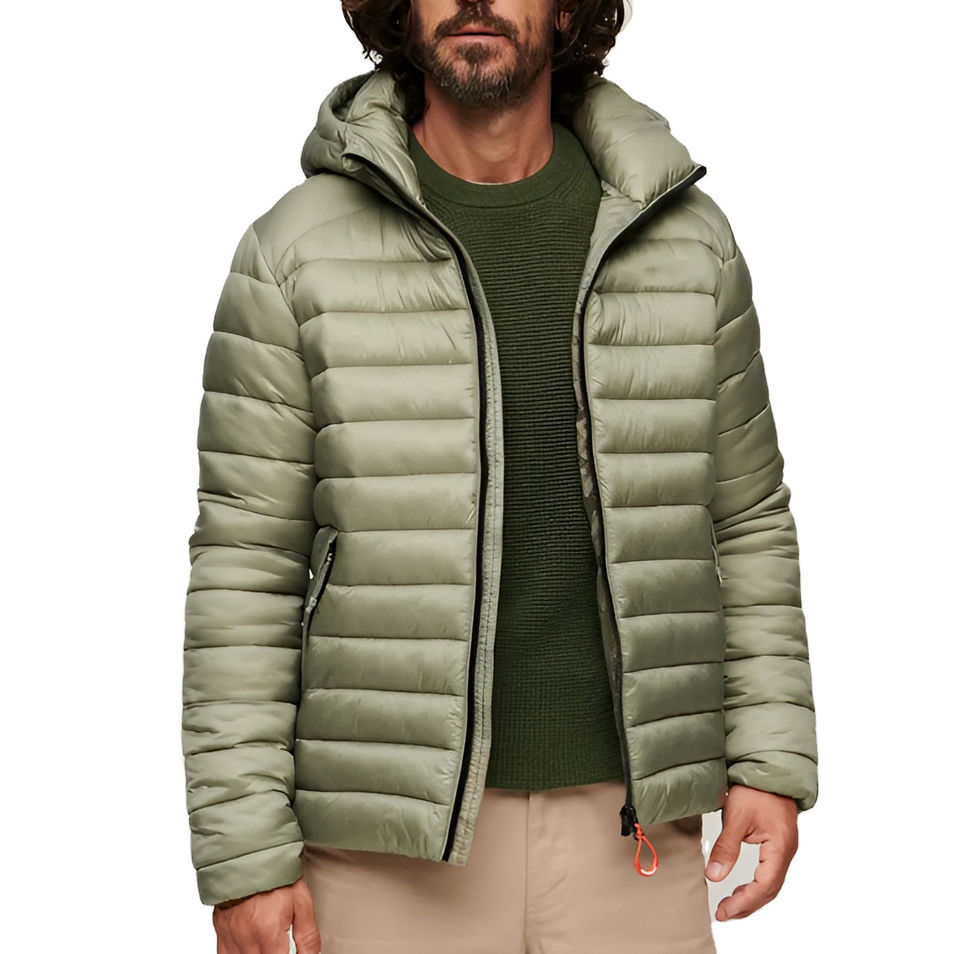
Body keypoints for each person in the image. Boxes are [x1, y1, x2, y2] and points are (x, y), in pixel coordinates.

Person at [181, 1, 819, 951]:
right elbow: (247, 561)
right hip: (381, 850)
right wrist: (244, 853)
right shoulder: (295, 251)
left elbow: (748, 517)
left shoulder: (686, 241)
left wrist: (768, 758)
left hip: (633, 836)